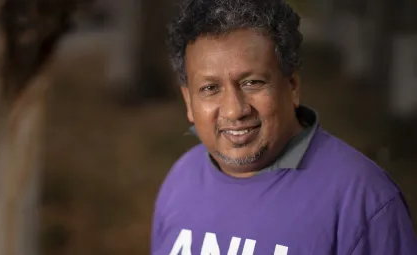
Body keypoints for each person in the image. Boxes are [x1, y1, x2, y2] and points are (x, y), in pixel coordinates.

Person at [151, 0, 417, 254]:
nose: (234, 110)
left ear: (292, 87)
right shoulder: (180, 181)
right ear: (189, 101)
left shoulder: (363, 200)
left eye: (252, 82)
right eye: (210, 88)